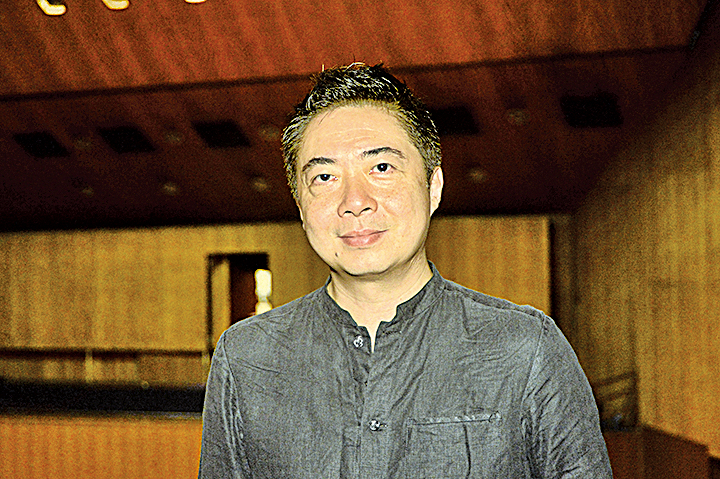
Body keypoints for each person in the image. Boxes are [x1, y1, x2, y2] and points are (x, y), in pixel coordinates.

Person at [198, 63, 613, 478]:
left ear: (433, 187)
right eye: (324, 176)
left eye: (381, 168)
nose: (354, 201)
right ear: (301, 207)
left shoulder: (525, 348)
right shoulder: (246, 358)